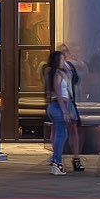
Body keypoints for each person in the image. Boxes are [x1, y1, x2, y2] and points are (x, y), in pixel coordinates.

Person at [42, 43, 81, 176]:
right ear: (57, 61)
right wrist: (65, 111)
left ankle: (56, 162)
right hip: (59, 106)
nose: (65, 61)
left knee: (60, 133)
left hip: (56, 106)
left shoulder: (58, 72)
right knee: (61, 134)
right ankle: (56, 162)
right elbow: (59, 94)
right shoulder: (56, 74)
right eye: (62, 59)